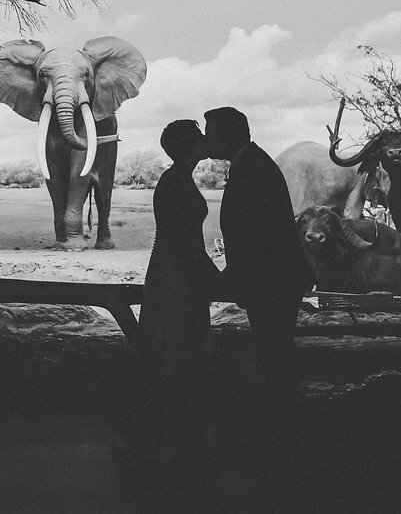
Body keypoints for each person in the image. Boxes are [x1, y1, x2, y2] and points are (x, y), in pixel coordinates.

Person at [203, 106, 312, 510]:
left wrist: (234, 276)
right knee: (274, 351)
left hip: (271, 281)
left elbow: (258, 233)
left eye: (212, 132)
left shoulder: (253, 169)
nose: (208, 139)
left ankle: (282, 438)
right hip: (273, 279)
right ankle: (282, 436)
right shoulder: (253, 163)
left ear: (230, 134)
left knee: (275, 352)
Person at [126, 119, 219, 507]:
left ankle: (169, 426)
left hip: (171, 268)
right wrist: (213, 276)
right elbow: (184, 240)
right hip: (177, 273)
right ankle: (176, 430)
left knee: (171, 342)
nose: (204, 141)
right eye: (198, 137)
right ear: (186, 145)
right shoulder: (176, 182)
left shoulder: (175, 178)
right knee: (177, 344)